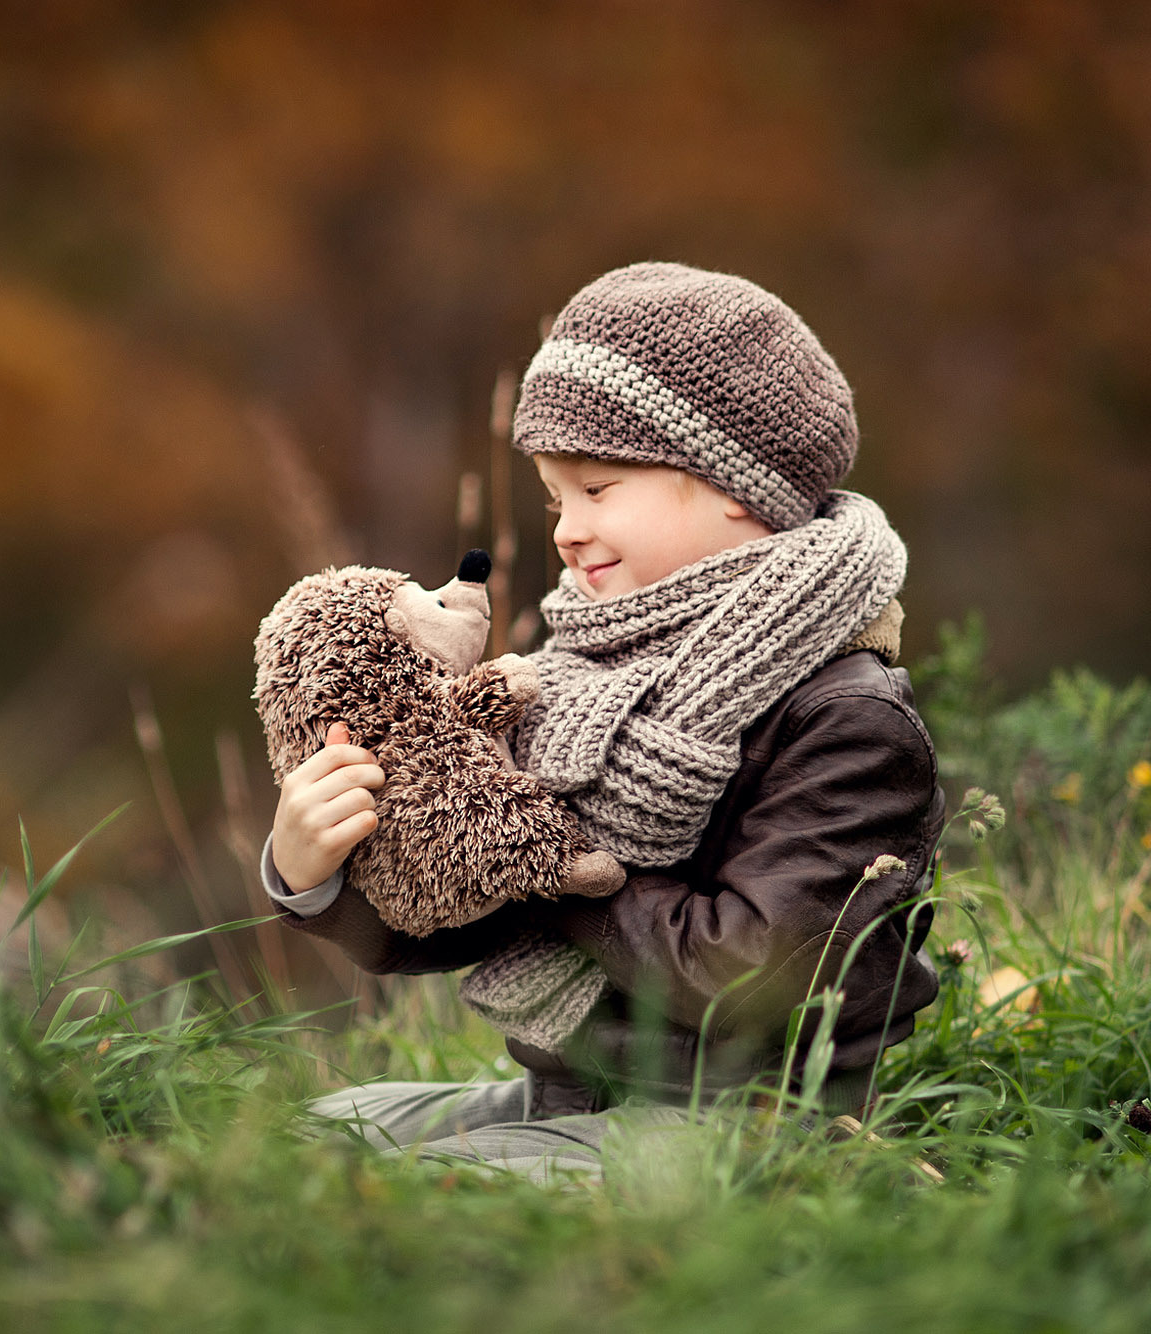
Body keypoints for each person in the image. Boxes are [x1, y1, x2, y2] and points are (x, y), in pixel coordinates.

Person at [261, 261, 944, 1179]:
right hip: (582, 1097)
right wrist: (320, 872)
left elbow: (747, 976)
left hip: (752, 1121)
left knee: (396, 1183)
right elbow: (463, 907)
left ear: (732, 483)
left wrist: (552, 858)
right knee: (300, 1134)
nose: (564, 530)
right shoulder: (578, 675)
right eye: (553, 500)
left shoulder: (846, 718)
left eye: (595, 489)